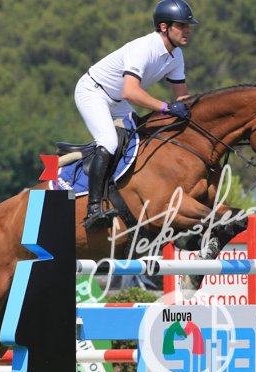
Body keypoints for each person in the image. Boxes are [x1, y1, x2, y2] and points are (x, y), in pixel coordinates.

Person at [75, 0, 198, 230]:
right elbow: (130, 91)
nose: (187, 30)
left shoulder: (176, 55)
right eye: (181, 25)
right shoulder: (145, 48)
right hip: (93, 91)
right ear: (164, 27)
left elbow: (182, 97)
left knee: (140, 139)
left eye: (187, 25)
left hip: (117, 100)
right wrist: (166, 107)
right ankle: (93, 209)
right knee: (109, 142)